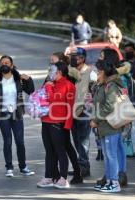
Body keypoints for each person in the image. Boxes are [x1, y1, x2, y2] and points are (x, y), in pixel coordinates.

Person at [0, 55, 35, 177]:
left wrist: (29, 79)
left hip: (16, 113)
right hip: (2, 114)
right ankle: (9, 168)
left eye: (7, 63)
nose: (5, 64)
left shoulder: (18, 79)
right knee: (7, 141)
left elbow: (31, 91)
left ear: (11, 65)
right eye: (2, 63)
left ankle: (23, 167)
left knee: (20, 141)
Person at [37, 62, 76, 189]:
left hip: (58, 122)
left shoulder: (68, 85)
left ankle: (63, 178)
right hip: (46, 121)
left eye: (52, 71)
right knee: (49, 151)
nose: (49, 73)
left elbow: (56, 100)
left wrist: (68, 125)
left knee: (60, 151)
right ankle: (49, 176)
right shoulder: (50, 83)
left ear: (59, 72)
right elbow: (41, 98)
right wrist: (47, 86)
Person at [49, 52, 83, 185]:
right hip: (52, 118)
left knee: (65, 147)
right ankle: (61, 173)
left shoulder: (69, 78)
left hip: (64, 118)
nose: (51, 64)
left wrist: (67, 123)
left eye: (53, 61)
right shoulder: (52, 76)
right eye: (50, 62)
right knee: (65, 146)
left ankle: (73, 173)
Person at [91, 59, 125, 193]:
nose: (96, 73)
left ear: (104, 72)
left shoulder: (112, 86)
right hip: (104, 126)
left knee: (111, 155)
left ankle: (115, 182)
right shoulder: (102, 84)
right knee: (107, 154)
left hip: (111, 126)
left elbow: (109, 106)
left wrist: (96, 120)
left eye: (98, 71)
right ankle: (110, 180)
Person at [68, 47, 97, 178]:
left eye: (76, 57)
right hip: (71, 111)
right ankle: (80, 166)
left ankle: (84, 167)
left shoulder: (91, 73)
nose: (73, 59)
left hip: (85, 111)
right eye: (72, 56)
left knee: (83, 141)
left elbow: (96, 94)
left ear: (83, 58)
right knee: (76, 140)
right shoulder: (70, 72)